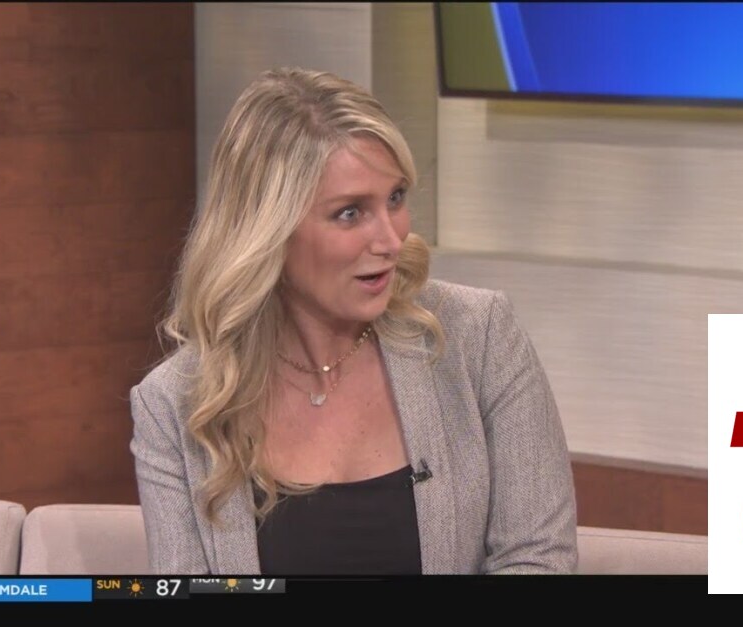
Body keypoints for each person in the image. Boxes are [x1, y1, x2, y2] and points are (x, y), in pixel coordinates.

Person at [129, 67, 578, 575]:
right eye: (350, 212)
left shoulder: (479, 337)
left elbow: (538, 558)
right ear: (267, 230)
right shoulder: (175, 404)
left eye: (395, 199)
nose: (391, 239)